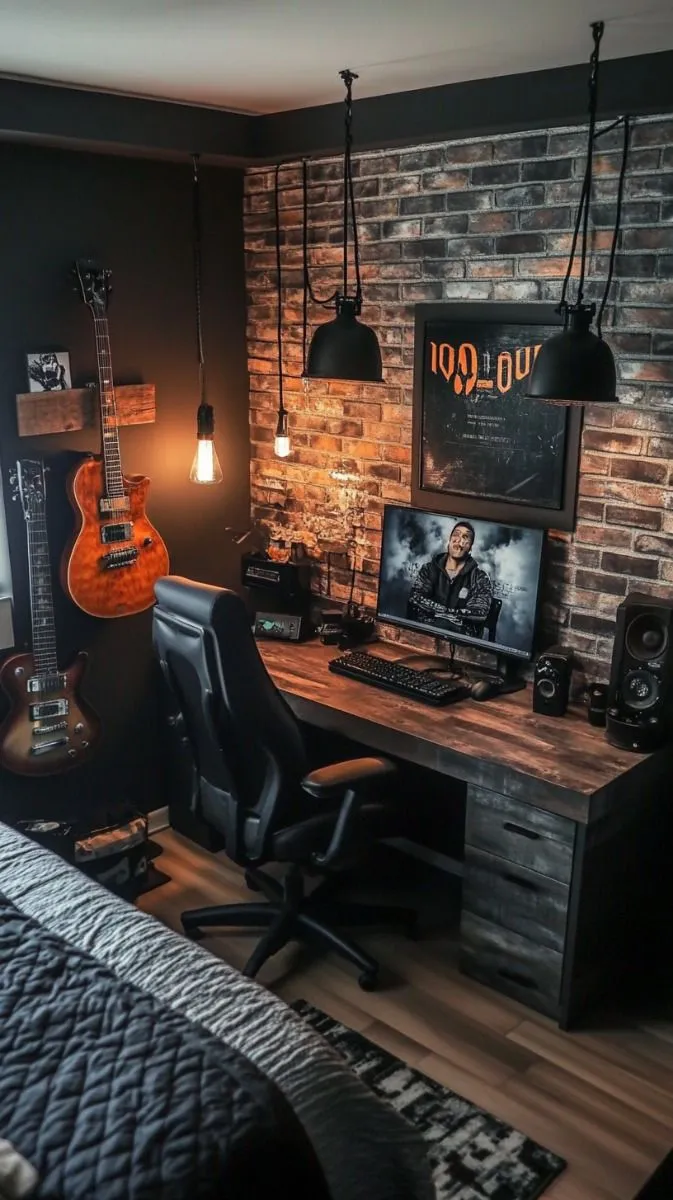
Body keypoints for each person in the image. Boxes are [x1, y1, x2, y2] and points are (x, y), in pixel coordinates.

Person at [407, 520, 493, 635]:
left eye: (465, 537)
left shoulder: (479, 577)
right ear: (450, 540)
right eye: (456, 535)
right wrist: (445, 612)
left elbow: (480, 612)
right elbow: (416, 596)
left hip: (460, 640)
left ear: (471, 547)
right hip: (427, 634)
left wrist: (446, 612)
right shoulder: (429, 569)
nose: (459, 541)